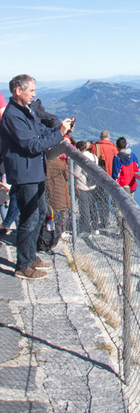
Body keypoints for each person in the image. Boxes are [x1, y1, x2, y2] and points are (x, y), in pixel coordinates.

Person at [1, 77, 68, 281]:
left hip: (34, 171)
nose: (34, 94)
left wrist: (60, 131)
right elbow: (31, 145)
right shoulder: (13, 116)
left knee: (39, 214)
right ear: (17, 91)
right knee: (29, 218)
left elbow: (41, 131)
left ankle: (30, 257)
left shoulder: (25, 111)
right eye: (30, 90)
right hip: (25, 173)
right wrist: (59, 135)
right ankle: (22, 265)